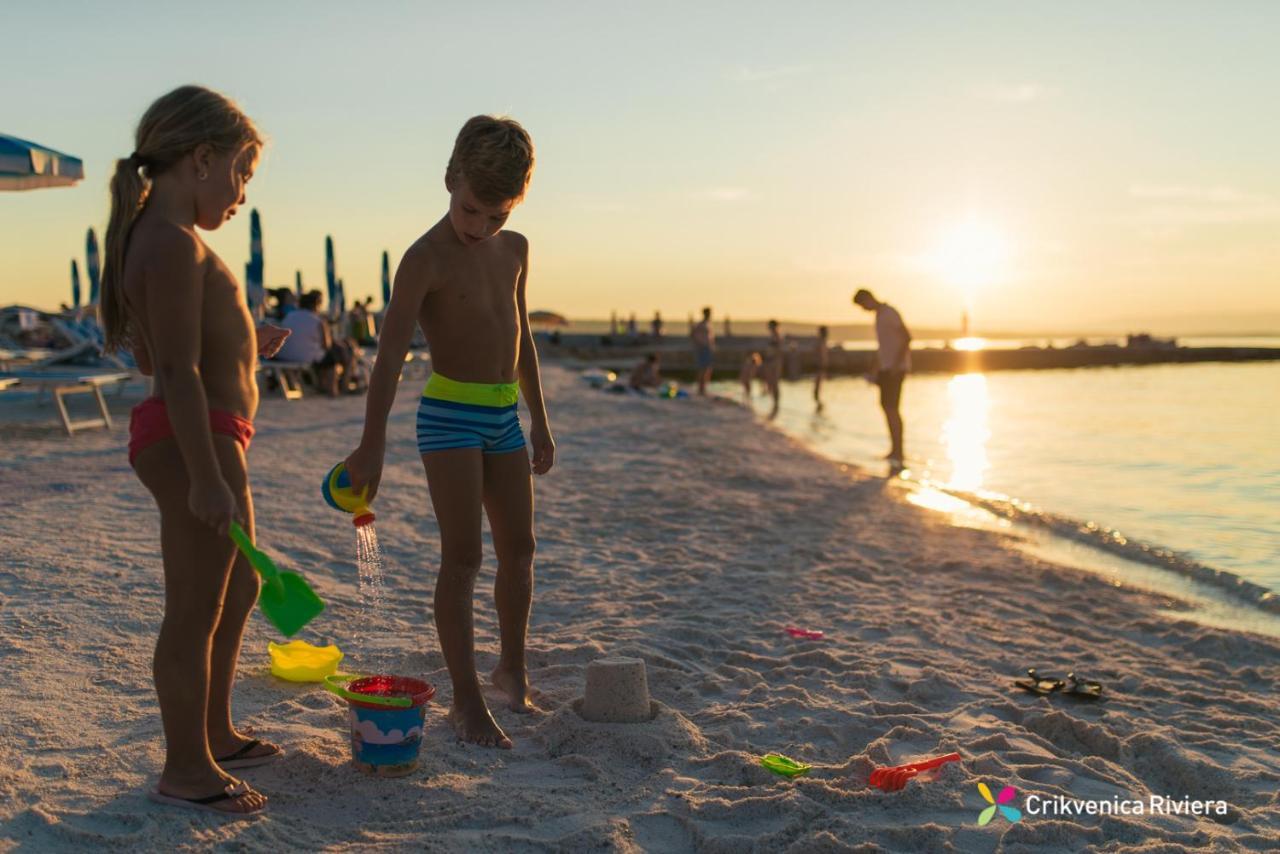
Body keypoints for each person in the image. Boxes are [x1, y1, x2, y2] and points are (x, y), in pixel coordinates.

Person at [98, 85, 288, 817]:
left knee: (238, 589)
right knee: (194, 607)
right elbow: (171, 373)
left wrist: (244, 340)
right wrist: (206, 480)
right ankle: (185, 768)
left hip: (207, 434)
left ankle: (215, 731)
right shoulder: (170, 242)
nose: (241, 191)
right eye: (241, 172)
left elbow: (167, 351)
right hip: (193, 444)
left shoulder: (167, 238)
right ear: (201, 160)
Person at [344, 115, 552, 750]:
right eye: (470, 210)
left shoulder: (513, 249)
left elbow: (521, 341)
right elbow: (388, 358)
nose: (480, 227)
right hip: (448, 418)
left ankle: (510, 671)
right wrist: (371, 442)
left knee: (520, 550)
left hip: (502, 418)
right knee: (463, 557)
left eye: (495, 215)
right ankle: (465, 703)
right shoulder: (423, 259)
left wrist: (539, 419)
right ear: (449, 180)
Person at [853, 288, 911, 465]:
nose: (863, 309)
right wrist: (875, 369)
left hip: (895, 369)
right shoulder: (879, 316)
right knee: (887, 407)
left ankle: (899, 452)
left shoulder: (889, 313)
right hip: (886, 369)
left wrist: (895, 365)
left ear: (868, 298)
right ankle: (894, 450)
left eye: (863, 305)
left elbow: (907, 337)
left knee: (892, 408)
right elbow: (883, 347)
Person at [274, 291, 355, 396]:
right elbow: (327, 345)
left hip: (284, 355)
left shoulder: (289, 316)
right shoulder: (318, 321)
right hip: (304, 357)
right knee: (335, 356)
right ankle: (338, 388)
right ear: (316, 305)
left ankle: (324, 385)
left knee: (328, 356)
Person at [690, 306, 715, 396]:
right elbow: (693, 334)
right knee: (702, 368)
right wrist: (699, 344)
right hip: (702, 348)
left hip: (707, 348)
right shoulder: (701, 324)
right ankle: (701, 389)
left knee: (707, 368)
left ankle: (703, 388)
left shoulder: (708, 323)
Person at [762, 319, 783, 418]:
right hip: (772, 361)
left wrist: (771, 360)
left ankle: (776, 404)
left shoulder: (776, 335)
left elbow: (777, 350)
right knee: (772, 382)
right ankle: (775, 404)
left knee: (774, 383)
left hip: (774, 362)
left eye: (769, 325)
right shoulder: (774, 335)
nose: (768, 327)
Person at [813, 325, 829, 412]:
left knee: (816, 391)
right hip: (820, 368)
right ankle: (819, 408)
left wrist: (822, 367)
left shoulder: (821, 342)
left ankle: (820, 408)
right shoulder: (823, 342)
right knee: (817, 391)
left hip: (820, 368)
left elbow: (822, 356)